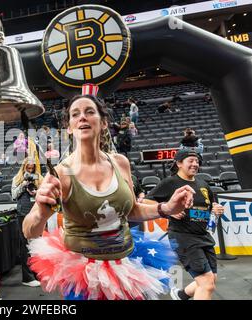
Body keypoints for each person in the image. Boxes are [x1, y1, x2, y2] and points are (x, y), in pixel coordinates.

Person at [22, 94, 195, 300]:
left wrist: (165, 209)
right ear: (69, 127)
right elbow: (29, 231)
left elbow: (132, 211)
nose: (82, 118)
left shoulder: (120, 162)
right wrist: (41, 212)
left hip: (127, 260)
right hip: (84, 272)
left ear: (103, 123)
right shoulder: (60, 173)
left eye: (89, 112)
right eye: (75, 114)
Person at [144, 149, 224, 300]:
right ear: (179, 163)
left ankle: (180, 295)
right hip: (183, 237)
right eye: (191, 161)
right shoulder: (170, 182)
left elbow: (212, 205)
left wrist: (216, 208)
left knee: (211, 279)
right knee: (206, 284)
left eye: (197, 161)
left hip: (203, 236)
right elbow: (147, 201)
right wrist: (168, 210)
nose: (195, 164)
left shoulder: (203, 184)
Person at [12, 157, 43, 287]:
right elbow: (14, 195)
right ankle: (27, 277)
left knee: (37, 244)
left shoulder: (39, 178)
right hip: (23, 213)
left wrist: (36, 193)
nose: (30, 170)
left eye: (32, 168)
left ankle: (37, 273)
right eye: (28, 168)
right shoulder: (17, 178)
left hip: (37, 213)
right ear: (24, 167)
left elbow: (44, 195)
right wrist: (23, 185)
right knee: (25, 244)